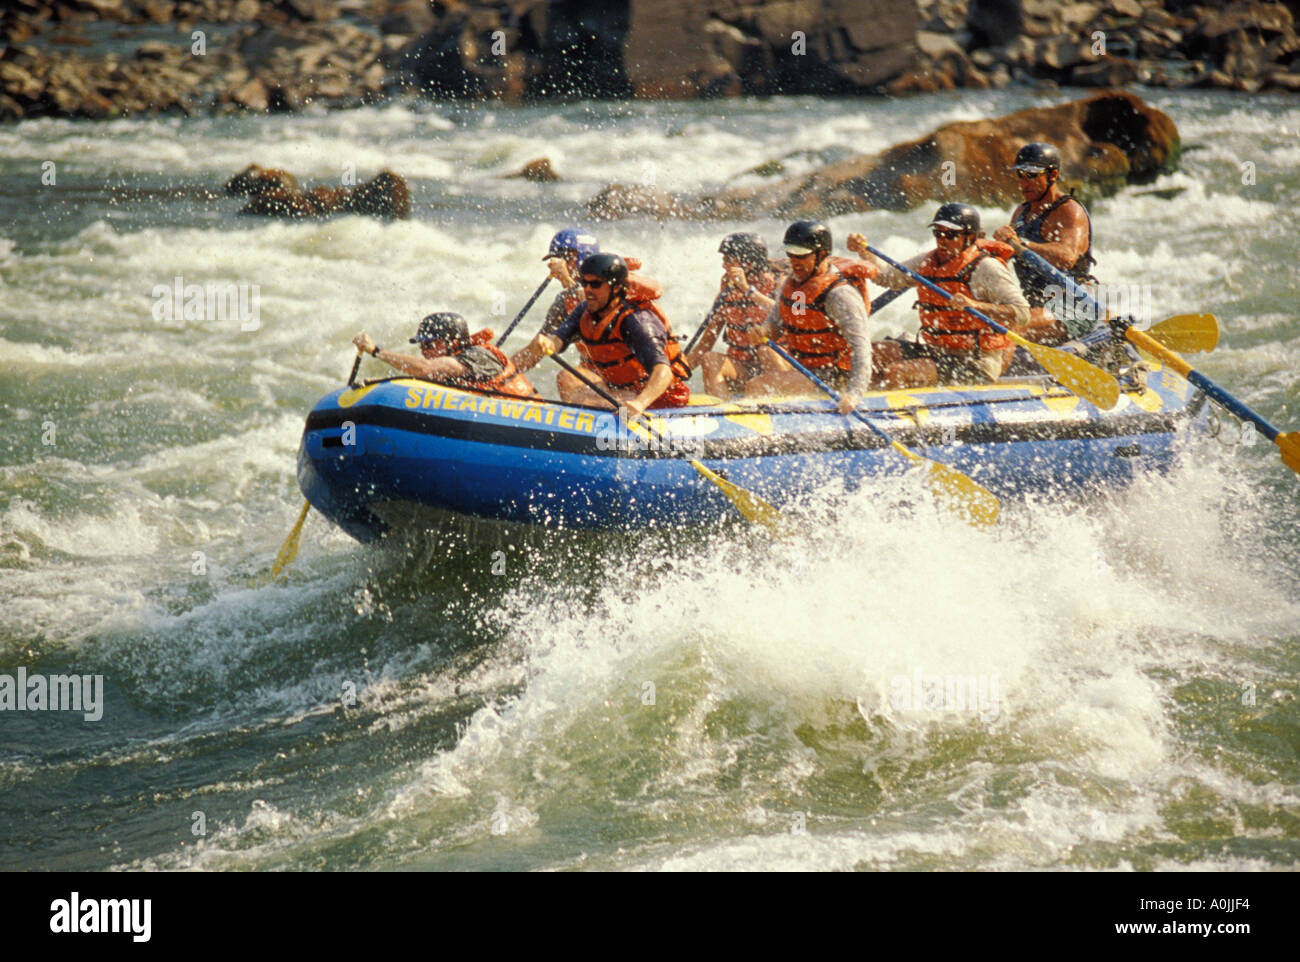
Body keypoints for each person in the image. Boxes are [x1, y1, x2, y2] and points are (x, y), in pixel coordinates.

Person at [849, 203, 1030, 388]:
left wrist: (976, 306)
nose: (942, 240)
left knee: (898, 372)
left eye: (950, 235)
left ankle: (890, 411)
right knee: (867, 355)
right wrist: (863, 252)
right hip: (935, 350)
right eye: (938, 233)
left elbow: (1023, 313)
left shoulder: (987, 268)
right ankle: (857, 404)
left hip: (976, 363)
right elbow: (887, 277)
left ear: (970, 237)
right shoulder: (928, 261)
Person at [511, 253, 692, 418]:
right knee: (567, 378)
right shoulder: (585, 311)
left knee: (583, 400)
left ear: (615, 288)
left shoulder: (636, 321)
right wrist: (546, 343)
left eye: (596, 284)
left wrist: (639, 404)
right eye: (585, 283)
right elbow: (557, 341)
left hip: (661, 398)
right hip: (623, 391)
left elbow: (663, 372)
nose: (588, 289)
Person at [744, 221, 873, 415]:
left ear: (821, 255)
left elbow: (861, 347)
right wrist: (763, 331)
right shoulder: (795, 285)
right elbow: (775, 323)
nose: (794, 261)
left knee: (757, 386)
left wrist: (854, 394)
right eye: (790, 254)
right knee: (765, 355)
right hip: (806, 366)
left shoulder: (840, 295)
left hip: (835, 374)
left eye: (801, 255)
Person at [992, 142, 1096, 343]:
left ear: (1053, 175)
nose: (1024, 182)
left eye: (1031, 174)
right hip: (1034, 303)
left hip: (1072, 305)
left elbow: (1066, 257)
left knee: (1009, 329)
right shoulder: (1021, 213)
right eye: (1020, 175)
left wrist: (1020, 244)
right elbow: (1009, 253)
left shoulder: (1069, 210)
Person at [352, 312, 538, 397]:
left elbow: (426, 369)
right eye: (422, 346)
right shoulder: (453, 368)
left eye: (431, 344)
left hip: (527, 419)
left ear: (454, 343)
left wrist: (376, 351)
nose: (425, 351)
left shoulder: (478, 355)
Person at [685, 232, 780, 398]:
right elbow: (705, 344)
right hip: (743, 368)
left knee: (767, 352)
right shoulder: (727, 289)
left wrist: (748, 291)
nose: (723, 266)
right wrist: (674, 374)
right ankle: (722, 414)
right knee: (709, 359)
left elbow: (794, 315)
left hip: (779, 368)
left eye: (728, 260)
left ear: (748, 263)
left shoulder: (782, 283)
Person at [536, 228, 601, 338]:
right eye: (557, 259)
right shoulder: (563, 303)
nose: (560, 265)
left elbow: (597, 313)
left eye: (566, 257)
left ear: (585, 257)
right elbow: (536, 349)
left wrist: (568, 281)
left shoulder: (612, 283)